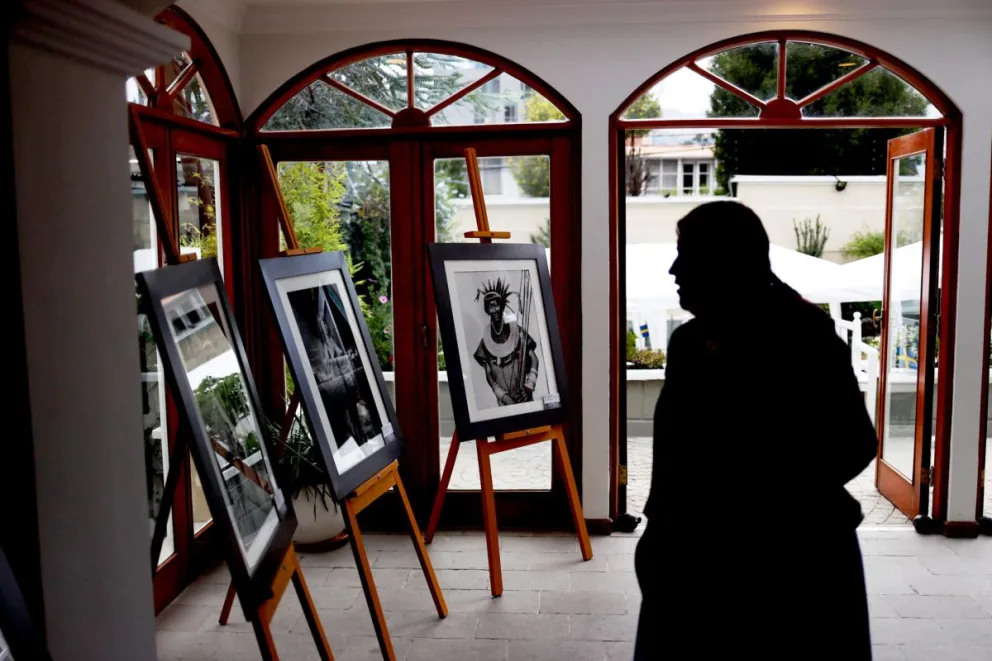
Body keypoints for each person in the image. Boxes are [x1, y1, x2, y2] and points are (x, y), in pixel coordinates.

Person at [633, 201, 877, 660]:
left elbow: (855, 443)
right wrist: (657, 532)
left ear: (726, 261)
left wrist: (759, 508)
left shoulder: (805, 338)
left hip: (792, 566)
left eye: (687, 255)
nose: (674, 269)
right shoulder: (689, 343)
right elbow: (674, 454)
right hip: (693, 556)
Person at [473, 277, 540, 406]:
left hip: (524, 398)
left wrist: (529, 386)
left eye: (496, 305)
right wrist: (504, 397)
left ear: (502, 305)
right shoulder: (485, 342)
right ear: (487, 310)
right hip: (504, 405)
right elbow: (489, 374)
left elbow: (534, 358)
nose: (494, 310)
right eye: (490, 306)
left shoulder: (518, 332)